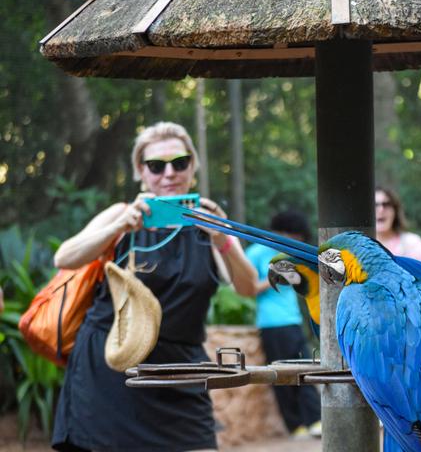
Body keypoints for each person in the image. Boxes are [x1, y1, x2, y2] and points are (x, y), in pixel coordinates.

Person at [51, 121, 257, 452]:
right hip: (114, 367)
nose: (169, 173)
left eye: (179, 162)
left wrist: (221, 234)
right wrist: (119, 225)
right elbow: (64, 257)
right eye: (156, 166)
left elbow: (247, 287)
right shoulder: (121, 215)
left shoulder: (208, 221)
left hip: (181, 371)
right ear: (140, 172)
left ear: (193, 166)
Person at [245, 210, 321, 439]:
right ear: (281, 232)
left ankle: (315, 421)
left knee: (305, 371)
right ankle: (295, 426)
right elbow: (248, 288)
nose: (297, 241)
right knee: (280, 375)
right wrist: (275, 277)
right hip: (271, 324)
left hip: (293, 321)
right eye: (294, 235)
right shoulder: (256, 252)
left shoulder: (291, 254)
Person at [375, 186, 421, 263]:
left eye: (386, 204)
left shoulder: (412, 243)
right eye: (374, 205)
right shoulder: (358, 247)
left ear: (395, 211)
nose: (381, 209)